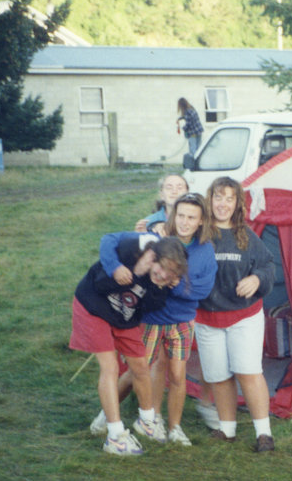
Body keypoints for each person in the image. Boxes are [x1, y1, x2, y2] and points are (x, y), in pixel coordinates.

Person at [71, 232, 188, 455]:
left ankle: (146, 421)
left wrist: (160, 286)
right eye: (162, 268)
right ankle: (115, 436)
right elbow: (101, 284)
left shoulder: (163, 280)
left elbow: (152, 306)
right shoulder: (130, 251)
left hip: (124, 316)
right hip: (93, 307)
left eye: (171, 273)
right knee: (111, 367)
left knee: (141, 366)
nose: (163, 275)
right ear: (153, 257)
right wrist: (133, 272)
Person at [195, 176, 277, 452]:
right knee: (219, 375)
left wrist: (256, 279)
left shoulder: (246, 235)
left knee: (248, 371)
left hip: (244, 316)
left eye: (230, 198)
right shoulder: (199, 233)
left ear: (237, 203)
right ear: (210, 200)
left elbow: (267, 266)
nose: (223, 204)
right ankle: (227, 429)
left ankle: (263, 433)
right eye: (219, 197)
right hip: (207, 317)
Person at [144, 192, 218, 445]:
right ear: (174, 216)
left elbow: (202, 290)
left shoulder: (205, 249)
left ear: (201, 221)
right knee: (152, 367)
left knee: (178, 374)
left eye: (192, 217)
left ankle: (175, 426)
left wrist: (173, 283)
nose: (185, 222)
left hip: (183, 319)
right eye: (182, 216)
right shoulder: (159, 238)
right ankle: (153, 419)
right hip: (152, 317)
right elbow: (147, 277)